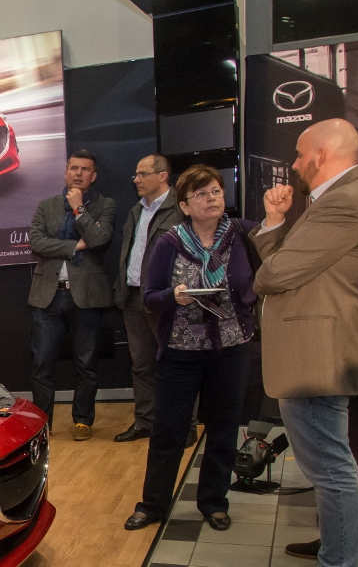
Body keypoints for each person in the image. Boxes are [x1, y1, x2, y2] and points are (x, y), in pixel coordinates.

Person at [250, 118, 358, 567]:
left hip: (318, 352)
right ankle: (340, 543)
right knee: (329, 463)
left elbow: (275, 273)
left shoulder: (346, 201)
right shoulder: (341, 199)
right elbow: (289, 264)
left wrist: (271, 264)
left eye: (299, 153)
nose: (294, 163)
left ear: (321, 154)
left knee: (330, 467)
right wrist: (274, 224)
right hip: (318, 349)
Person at [124, 166, 257, 533]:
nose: (211, 198)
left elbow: (266, 270)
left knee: (223, 429)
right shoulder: (170, 242)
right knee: (168, 430)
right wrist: (175, 296)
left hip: (232, 348)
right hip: (181, 351)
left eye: (215, 191)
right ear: (184, 205)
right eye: (201, 194)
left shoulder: (242, 233)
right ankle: (153, 505)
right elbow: (150, 298)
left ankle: (214, 503)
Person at [27, 149, 116, 439]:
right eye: (74, 168)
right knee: (42, 365)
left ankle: (82, 421)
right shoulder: (46, 206)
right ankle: (43, 425)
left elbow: (100, 239)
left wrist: (79, 209)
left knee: (86, 364)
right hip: (48, 296)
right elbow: (37, 242)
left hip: (87, 296)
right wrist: (75, 246)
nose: (78, 173)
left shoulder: (105, 205)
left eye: (85, 169)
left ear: (94, 176)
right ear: (65, 172)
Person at [112, 154, 184, 443]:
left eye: (142, 174)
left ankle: (184, 425)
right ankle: (146, 422)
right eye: (136, 174)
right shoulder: (136, 210)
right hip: (133, 298)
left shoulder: (179, 208)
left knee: (176, 364)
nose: (136, 179)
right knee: (141, 365)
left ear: (163, 175)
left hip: (164, 299)